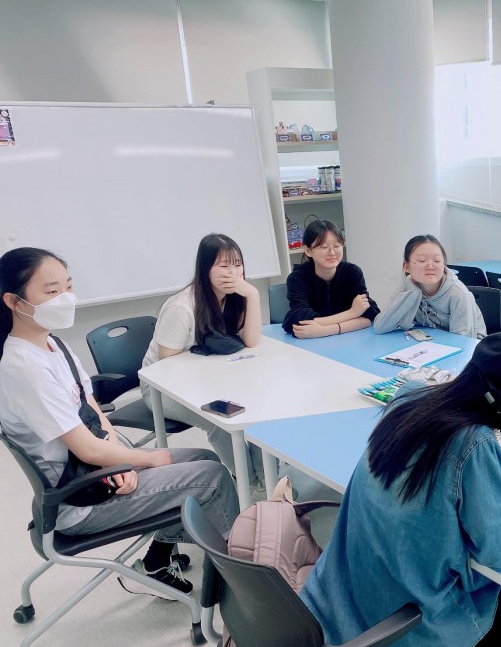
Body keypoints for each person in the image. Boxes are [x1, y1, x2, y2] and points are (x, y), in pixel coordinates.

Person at [301, 331, 501, 647]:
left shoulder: (408, 397)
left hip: (339, 602)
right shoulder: (474, 446)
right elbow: (499, 552)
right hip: (402, 631)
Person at [0, 247, 239, 594]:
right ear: (14, 301)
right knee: (213, 479)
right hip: (78, 498)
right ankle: (240, 578)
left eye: (69, 286)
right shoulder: (24, 367)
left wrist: (118, 459)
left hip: (92, 470)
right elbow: (86, 449)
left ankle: (157, 560)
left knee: (205, 458)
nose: (66, 298)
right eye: (52, 291)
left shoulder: (53, 345)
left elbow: (93, 410)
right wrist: (134, 460)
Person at [141, 233, 264, 486]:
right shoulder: (182, 307)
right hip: (162, 390)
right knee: (221, 418)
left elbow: (251, 340)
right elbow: (166, 365)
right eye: (224, 265)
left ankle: (268, 480)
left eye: (238, 264)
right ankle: (251, 486)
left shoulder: (234, 297)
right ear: (205, 268)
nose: (233, 273)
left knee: (259, 406)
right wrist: (210, 380)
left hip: (212, 381)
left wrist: (252, 295)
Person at [373, 234, 486, 339]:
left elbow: (464, 341)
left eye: (437, 260)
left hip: (468, 348)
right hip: (429, 343)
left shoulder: (459, 294)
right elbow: (380, 326)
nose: (430, 266)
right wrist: (414, 292)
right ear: (406, 266)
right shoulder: (408, 285)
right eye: (422, 260)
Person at [281, 219, 379, 338]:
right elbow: (297, 322)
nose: (332, 252)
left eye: (337, 246)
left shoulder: (352, 272)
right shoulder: (297, 278)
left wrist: (324, 330)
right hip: (310, 345)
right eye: (324, 247)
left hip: (349, 340)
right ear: (308, 250)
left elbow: (370, 315)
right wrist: (352, 313)